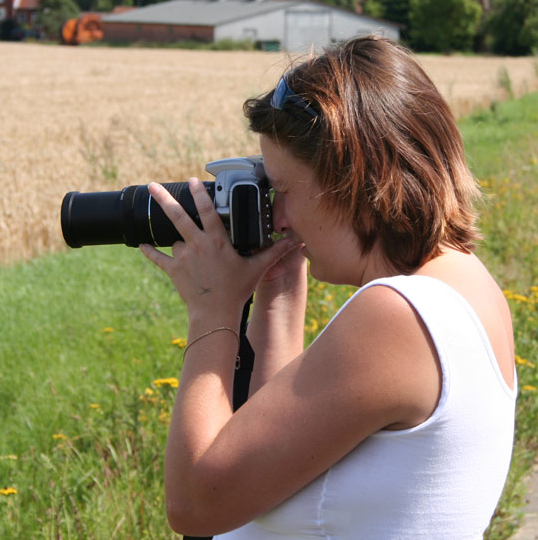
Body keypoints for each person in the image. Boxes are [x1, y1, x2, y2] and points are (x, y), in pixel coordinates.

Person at [140, 35, 516, 538]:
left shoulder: (399, 315)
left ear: (352, 178)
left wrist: (213, 310)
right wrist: (280, 283)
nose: (277, 215)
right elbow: (276, 451)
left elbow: (195, 504)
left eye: (285, 189)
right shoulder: (463, 286)